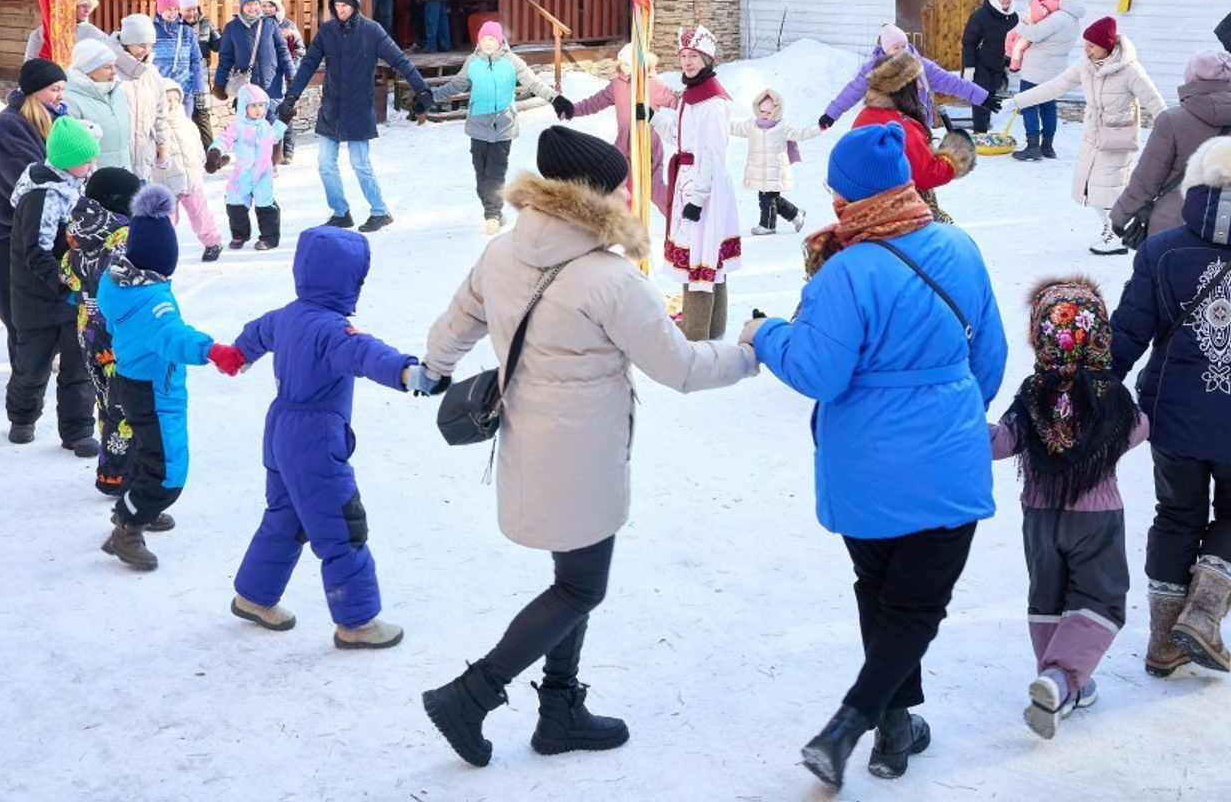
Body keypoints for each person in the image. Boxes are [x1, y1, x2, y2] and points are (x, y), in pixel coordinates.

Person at [420, 125, 759, 768]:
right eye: (619, 187)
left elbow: (458, 323)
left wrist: (433, 367)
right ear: (595, 196)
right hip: (582, 457)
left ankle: (559, 710)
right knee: (580, 589)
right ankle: (472, 694)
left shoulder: (501, 252)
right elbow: (682, 367)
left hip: (527, 441)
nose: (627, 195)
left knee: (571, 581)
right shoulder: (610, 278)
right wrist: (748, 353)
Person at [744, 122, 1006, 790]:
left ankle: (874, 724)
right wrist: (948, 411)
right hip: (945, 460)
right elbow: (990, 357)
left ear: (846, 195)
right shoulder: (960, 246)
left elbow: (819, 372)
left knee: (882, 592)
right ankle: (875, 723)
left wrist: (767, 332)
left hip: (863, 466)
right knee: (913, 606)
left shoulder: (844, 271)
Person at [214, 227, 444, 646]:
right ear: (347, 280)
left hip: (279, 430)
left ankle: (254, 595)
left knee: (285, 515)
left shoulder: (287, 315)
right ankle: (357, 622)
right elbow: (367, 353)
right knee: (341, 524)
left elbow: (256, 334)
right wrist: (410, 373)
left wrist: (237, 355)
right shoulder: (333, 330)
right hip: (315, 441)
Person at [990, 277, 1147, 738]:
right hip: (1096, 516)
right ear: (1099, 334)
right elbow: (1137, 429)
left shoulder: (1032, 393)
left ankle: (1059, 683)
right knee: (1101, 598)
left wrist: (956, 426)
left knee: (1049, 597)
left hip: (1040, 517)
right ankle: (1061, 678)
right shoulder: (1110, 394)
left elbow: (1003, 441)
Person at [1109, 134, 1231, 678]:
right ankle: (1203, 615)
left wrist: (1094, 385)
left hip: (1175, 415)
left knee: (1177, 514)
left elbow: (1128, 331)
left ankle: (1164, 642)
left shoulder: (1161, 250)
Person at [97, 184, 225, 570]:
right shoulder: (154, 301)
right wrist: (213, 350)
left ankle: (136, 507)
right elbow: (174, 337)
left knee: (146, 451)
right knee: (168, 469)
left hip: (131, 380)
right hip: (155, 388)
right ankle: (128, 527)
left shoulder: (116, 281)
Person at [278, 0, 433, 232]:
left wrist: (422, 89)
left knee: (360, 163)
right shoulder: (327, 31)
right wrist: (291, 97)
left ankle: (380, 211)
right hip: (331, 107)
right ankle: (340, 212)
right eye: (337, 5)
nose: (340, 10)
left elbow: (400, 61)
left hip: (359, 108)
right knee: (325, 163)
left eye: (345, 5)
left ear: (355, 6)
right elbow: (308, 65)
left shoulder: (372, 31)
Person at [1008, 16, 1167, 255]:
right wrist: (1017, 101)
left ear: (1106, 46)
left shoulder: (1130, 70)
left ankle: (1117, 234)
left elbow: (1155, 102)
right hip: (1093, 136)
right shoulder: (1086, 65)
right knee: (1091, 190)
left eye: (1092, 45)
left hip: (1118, 139)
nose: (1086, 49)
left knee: (1110, 191)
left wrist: (1172, 133)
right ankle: (1110, 229)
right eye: (1086, 44)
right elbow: (1055, 86)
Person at [6, 115, 102, 454]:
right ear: (66, 161)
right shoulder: (42, 196)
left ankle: (78, 430)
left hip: (73, 297)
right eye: (86, 160)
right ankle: (22, 418)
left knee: (79, 366)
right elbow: (35, 251)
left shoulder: (76, 186)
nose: (92, 166)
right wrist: (62, 282)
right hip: (36, 298)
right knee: (32, 366)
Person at [432, 20, 571, 235]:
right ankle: (493, 210)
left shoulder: (512, 61)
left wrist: (556, 99)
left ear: (500, 41)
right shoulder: (472, 62)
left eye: (492, 39)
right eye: (484, 39)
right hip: (478, 124)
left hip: (504, 125)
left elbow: (533, 83)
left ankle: (492, 215)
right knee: (481, 175)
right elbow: (456, 85)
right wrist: (431, 97)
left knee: (495, 173)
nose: (488, 43)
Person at [0, 58, 66, 374]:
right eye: (53, 89)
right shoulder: (8, 127)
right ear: (33, 91)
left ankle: (36, 372)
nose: (60, 96)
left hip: (39, 230)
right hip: (6, 233)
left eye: (62, 89)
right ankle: (25, 386)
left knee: (43, 312)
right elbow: (27, 183)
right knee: (19, 316)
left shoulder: (54, 121)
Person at [58, 166, 144, 495]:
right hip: (120, 334)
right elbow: (133, 280)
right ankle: (121, 475)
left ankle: (112, 472)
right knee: (127, 404)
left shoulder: (79, 231)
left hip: (89, 333)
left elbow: (66, 273)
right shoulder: (123, 236)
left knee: (107, 401)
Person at [655, 26, 741, 342]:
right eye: (684, 56)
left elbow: (713, 155)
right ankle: (713, 327)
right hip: (689, 181)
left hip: (704, 187)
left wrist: (697, 198)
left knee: (700, 252)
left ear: (707, 59)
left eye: (694, 56)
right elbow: (680, 138)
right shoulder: (690, 98)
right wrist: (652, 117)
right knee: (705, 251)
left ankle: (694, 330)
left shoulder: (712, 103)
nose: (687, 62)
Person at [1111, 49, 1231, 243]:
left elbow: (1147, 177)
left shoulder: (1172, 120)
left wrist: (1121, 215)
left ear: (1192, 77)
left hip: (1175, 225)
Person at [849, 48, 976, 229]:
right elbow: (926, 174)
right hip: (899, 215)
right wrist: (955, 156)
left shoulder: (866, 115)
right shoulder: (902, 125)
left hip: (866, 208)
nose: (920, 87)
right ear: (903, 86)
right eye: (916, 81)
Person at [564, 43, 678, 216]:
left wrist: (695, 103)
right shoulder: (617, 84)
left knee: (654, 189)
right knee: (623, 191)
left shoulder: (654, 84)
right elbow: (595, 102)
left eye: (627, 64)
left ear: (638, 63)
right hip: (624, 148)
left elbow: (678, 101)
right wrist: (572, 110)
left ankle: (677, 214)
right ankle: (626, 224)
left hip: (648, 146)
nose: (622, 67)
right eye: (621, 63)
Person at [819, 24, 1000, 132]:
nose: (901, 51)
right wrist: (830, 115)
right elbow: (851, 93)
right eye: (895, 47)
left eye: (903, 45)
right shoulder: (873, 70)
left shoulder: (921, 66)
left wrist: (982, 97)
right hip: (886, 130)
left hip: (918, 127)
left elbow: (953, 83)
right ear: (885, 50)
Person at [1006, 0, 1086, 161]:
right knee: (1048, 106)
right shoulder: (1073, 19)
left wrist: (1018, 24)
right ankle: (1047, 147)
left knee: (1028, 104)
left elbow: (1033, 33)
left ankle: (1033, 147)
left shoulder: (1058, 18)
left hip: (1036, 70)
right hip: (1054, 71)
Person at [207, 84, 285, 252]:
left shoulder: (265, 126)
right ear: (244, 107)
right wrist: (215, 151)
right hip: (242, 172)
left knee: (265, 204)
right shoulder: (238, 126)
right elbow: (225, 139)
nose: (258, 110)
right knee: (234, 201)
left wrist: (283, 121)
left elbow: (275, 137)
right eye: (253, 106)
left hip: (263, 174)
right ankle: (240, 234)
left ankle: (269, 237)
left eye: (261, 105)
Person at [730, 89, 819, 235]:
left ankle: (767, 225)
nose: (765, 115)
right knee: (772, 199)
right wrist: (719, 121)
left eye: (769, 112)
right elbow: (736, 128)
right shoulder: (751, 126)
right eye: (762, 111)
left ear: (777, 111)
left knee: (766, 198)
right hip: (759, 170)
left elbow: (801, 134)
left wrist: (819, 127)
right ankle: (796, 214)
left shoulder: (782, 127)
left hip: (775, 170)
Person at [157, 79, 223, 261]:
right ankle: (164, 249)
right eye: (166, 100)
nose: (171, 104)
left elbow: (198, 147)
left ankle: (212, 242)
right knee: (167, 220)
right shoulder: (156, 128)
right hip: (166, 181)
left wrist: (200, 163)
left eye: (175, 100)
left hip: (191, 181)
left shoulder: (187, 124)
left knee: (199, 215)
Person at [213, 0, 296, 108]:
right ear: (242, 6)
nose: (253, 8)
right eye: (249, 4)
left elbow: (283, 51)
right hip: (246, 86)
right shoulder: (232, 28)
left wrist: (291, 74)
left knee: (272, 117)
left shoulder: (270, 24)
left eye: (256, 4)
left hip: (271, 84)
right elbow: (225, 58)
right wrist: (219, 84)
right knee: (248, 119)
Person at [111, 14, 169, 179]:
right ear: (127, 42)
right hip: (116, 161)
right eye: (142, 45)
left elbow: (160, 112)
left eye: (150, 45)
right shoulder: (110, 70)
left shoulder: (152, 73)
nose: (147, 51)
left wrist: (163, 145)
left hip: (144, 159)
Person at [63, 38, 132, 171]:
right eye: (107, 67)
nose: (114, 72)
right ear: (88, 70)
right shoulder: (70, 99)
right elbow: (73, 147)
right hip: (94, 175)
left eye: (114, 66)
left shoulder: (116, 90)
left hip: (124, 170)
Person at [961, 0, 1018, 132]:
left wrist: (1009, 64)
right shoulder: (980, 16)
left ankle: (985, 128)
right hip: (981, 64)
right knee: (980, 97)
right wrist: (969, 67)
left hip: (998, 65)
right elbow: (969, 42)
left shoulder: (1013, 18)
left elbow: (1014, 44)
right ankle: (980, 132)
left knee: (991, 97)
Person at [259, 0, 303, 164]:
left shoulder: (288, 25)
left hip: (286, 75)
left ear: (277, 7)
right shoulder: (258, 26)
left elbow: (300, 50)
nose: (267, 9)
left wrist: (292, 71)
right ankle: (268, 151)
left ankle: (288, 150)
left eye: (271, 6)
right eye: (264, 5)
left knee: (285, 111)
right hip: (268, 75)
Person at [178, 0, 221, 150]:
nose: (191, 13)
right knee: (181, 116)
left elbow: (217, 45)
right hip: (180, 78)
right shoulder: (175, 27)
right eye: (187, 10)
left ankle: (211, 153)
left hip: (200, 78)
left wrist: (227, 38)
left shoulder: (206, 24)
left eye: (194, 9)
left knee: (202, 115)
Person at [151, 0, 205, 119]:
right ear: (160, 9)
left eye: (175, 9)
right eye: (168, 9)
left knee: (183, 127)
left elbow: (196, 61)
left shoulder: (186, 32)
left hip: (184, 92)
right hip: (158, 92)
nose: (173, 13)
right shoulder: (151, 31)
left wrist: (199, 90)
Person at [24, 0, 105, 61]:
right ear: (71, 6)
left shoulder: (94, 33)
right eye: (83, 6)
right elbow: (30, 64)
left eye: (89, 7)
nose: (87, 11)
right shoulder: (40, 33)